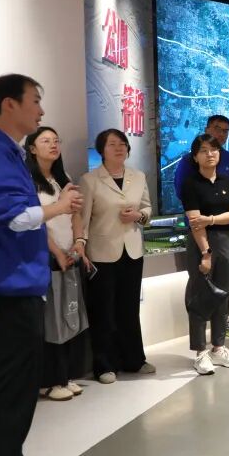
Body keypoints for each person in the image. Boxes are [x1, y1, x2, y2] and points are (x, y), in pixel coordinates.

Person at [0, 74, 82, 456]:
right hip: (8, 290)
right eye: (35, 101)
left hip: (20, 286)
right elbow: (14, 218)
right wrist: (59, 208)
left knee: (17, 386)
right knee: (10, 389)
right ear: (9, 104)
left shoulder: (6, 152)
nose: (41, 110)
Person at [78, 128, 154, 384]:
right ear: (102, 150)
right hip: (101, 253)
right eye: (112, 144)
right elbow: (82, 219)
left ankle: (134, 360)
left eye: (122, 144)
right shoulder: (90, 180)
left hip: (132, 251)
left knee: (129, 308)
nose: (119, 148)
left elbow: (147, 209)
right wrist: (81, 245)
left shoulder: (138, 176)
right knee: (103, 311)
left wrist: (139, 216)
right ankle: (104, 365)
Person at [25, 126, 88, 402]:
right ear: (31, 149)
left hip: (69, 255)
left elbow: (75, 214)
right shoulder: (28, 182)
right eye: (45, 141)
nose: (53, 145)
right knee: (51, 321)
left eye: (56, 140)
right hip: (46, 258)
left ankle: (65, 375)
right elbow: (36, 223)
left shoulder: (64, 178)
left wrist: (79, 242)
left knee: (68, 315)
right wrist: (56, 252)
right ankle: (51, 381)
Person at [178, 115, 229, 340]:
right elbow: (189, 206)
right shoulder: (188, 170)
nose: (221, 134)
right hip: (199, 235)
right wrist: (205, 240)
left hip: (226, 235)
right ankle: (200, 347)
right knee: (199, 289)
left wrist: (211, 219)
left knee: (224, 288)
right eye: (217, 129)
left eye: (226, 131)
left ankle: (219, 343)